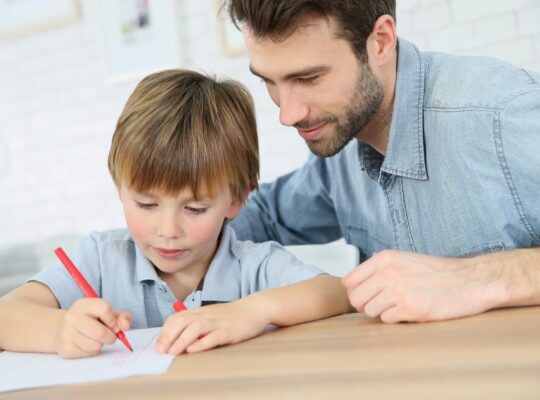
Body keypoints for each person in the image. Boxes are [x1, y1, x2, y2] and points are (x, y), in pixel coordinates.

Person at [225, 0, 540, 323]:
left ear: (381, 41)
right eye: (269, 82)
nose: (288, 114)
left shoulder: (503, 116)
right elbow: (265, 216)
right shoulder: (342, 142)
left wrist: (474, 278)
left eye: (309, 78)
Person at [0, 69, 351, 359]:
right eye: (146, 205)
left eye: (195, 208)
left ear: (235, 200)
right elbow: (6, 316)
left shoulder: (253, 266)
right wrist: (61, 330)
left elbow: (336, 293)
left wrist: (252, 311)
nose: (168, 230)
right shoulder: (98, 259)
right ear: (119, 187)